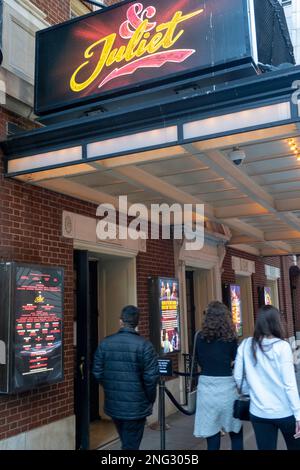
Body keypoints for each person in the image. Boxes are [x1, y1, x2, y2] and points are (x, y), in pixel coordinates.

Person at [93, 305, 159, 450]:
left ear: (120, 321)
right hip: (136, 408)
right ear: (137, 323)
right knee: (131, 445)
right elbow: (151, 379)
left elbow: (97, 372)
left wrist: (111, 388)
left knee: (127, 442)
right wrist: (149, 400)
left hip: (115, 405)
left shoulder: (105, 343)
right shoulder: (145, 346)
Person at [234, 305, 300, 450]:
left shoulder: (246, 345)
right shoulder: (282, 347)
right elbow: (290, 385)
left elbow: (238, 377)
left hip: (258, 412)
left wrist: (252, 391)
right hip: (285, 412)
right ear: (277, 322)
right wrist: (298, 415)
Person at [194, 301, 243, 450]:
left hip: (206, 389)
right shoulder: (231, 338)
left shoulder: (198, 337)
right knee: (236, 432)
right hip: (227, 388)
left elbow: (198, 360)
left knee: (212, 435)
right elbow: (235, 360)